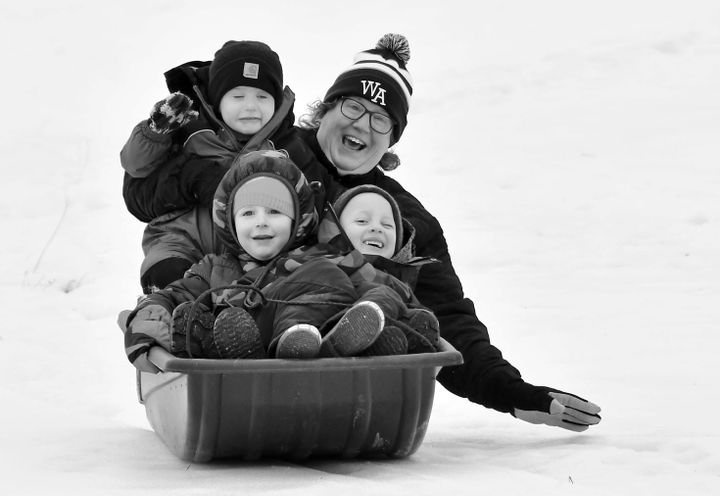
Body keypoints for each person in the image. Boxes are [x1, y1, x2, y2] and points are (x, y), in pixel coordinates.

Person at [121, 34, 602, 432]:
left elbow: (449, 315)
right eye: (352, 107)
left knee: (385, 303)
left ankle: (345, 339)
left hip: (319, 342)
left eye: (381, 120)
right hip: (219, 307)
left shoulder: (396, 217)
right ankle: (205, 334)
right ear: (323, 110)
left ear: (391, 142)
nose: (363, 125)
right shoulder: (265, 152)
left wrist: (508, 390)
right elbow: (147, 188)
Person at [123, 150, 440, 370]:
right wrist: (147, 322)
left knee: (378, 293)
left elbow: (382, 281)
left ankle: (377, 336)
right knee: (198, 321)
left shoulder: (324, 256)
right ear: (231, 222)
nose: (260, 222)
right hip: (244, 349)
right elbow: (171, 295)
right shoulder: (214, 269)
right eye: (248, 213)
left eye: (274, 212)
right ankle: (276, 343)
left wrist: (412, 309)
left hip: (322, 333)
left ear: (296, 221)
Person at [120, 40, 335, 293]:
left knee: (270, 287)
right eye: (238, 96)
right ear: (217, 98)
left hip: (258, 249)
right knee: (172, 278)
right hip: (186, 238)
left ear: (276, 101)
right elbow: (137, 166)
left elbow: (312, 197)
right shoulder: (190, 128)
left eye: (263, 97)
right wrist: (156, 133)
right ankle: (166, 312)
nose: (251, 106)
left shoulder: (288, 146)